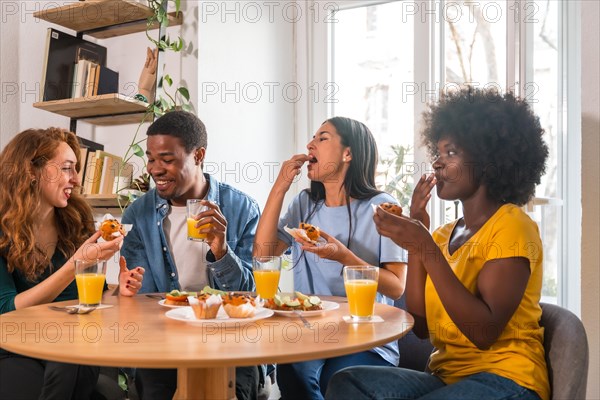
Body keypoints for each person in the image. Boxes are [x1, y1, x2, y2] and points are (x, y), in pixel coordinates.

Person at [325, 87, 550, 400]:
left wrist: (424, 246)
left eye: (451, 153)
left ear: (487, 162)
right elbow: (420, 326)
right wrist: (420, 234)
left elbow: (483, 332)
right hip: (447, 379)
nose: (437, 163)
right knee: (347, 382)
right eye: (438, 152)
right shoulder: (444, 235)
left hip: (506, 379)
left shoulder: (512, 225)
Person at [253, 116, 408, 400]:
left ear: (348, 153)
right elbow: (263, 254)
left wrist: (342, 256)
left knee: (335, 380)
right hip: (311, 332)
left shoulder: (382, 207)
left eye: (322, 138)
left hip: (366, 337)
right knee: (291, 372)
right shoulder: (305, 204)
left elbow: (396, 286)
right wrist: (280, 187)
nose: (310, 144)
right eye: (312, 138)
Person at [121, 110, 263, 399]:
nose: (154, 169)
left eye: (167, 160)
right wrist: (128, 288)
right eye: (150, 158)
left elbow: (251, 297)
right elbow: (144, 301)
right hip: (163, 339)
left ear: (198, 155)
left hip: (231, 338)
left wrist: (221, 250)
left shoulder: (242, 209)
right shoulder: (139, 214)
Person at [0, 128, 142, 400]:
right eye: (66, 168)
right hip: (14, 346)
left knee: (72, 357)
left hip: (67, 346)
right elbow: (6, 311)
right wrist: (74, 264)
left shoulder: (75, 218)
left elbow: (88, 297)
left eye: (75, 169)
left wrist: (118, 291)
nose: (76, 180)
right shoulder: (2, 229)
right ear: (32, 171)